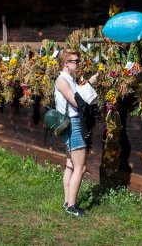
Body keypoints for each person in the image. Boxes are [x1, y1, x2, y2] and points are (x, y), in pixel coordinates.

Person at [55, 48, 99, 217]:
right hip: (72, 124)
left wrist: (86, 84)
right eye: (76, 61)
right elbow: (77, 102)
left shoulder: (69, 79)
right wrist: (89, 84)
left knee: (70, 165)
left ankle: (67, 201)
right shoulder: (62, 81)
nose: (78, 64)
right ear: (66, 63)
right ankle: (71, 206)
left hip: (72, 123)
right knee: (80, 167)